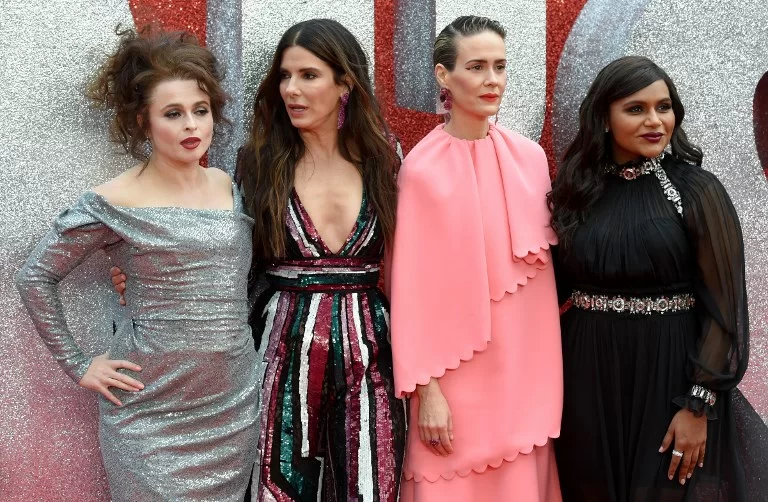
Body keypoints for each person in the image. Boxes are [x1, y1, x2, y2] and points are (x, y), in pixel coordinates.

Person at [15, 27, 259, 501]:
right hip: (148, 414)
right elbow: (35, 276)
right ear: (144, 122)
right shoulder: (113, 202)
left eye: (200, 111)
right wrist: (78, 364)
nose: (192, 126)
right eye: (173, 114)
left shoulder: (230, 188)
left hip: (232, 407)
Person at [549, 55, 748, 502]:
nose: (655, 121)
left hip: (670, 376)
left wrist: (698, 405)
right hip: (585, 374)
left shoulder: (696, 191)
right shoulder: (576, 192)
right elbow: (547, 290)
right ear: (604, 118)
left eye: (664, 107)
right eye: (636, 109)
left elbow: (722, 310)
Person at [389, 15, 563, 501]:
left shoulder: (531, 161)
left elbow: (541, 290)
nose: (492, 80)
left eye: (500, 66)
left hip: (525, 378)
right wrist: (427, 393)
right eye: (477, 66)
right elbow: (411, 294)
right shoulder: (420, 171)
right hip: (451, 390)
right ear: (444, 76)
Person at [237, 19, 405, 501]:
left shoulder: (386, 160)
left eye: (308, 76)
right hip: (282, 345)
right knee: (279, 485)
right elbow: (226, 252)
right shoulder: (259, 162)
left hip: (374, 348)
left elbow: (423, 257)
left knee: (374, 484)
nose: (291, 89)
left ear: (345, 82)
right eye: (284, 77)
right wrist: (145, 270)